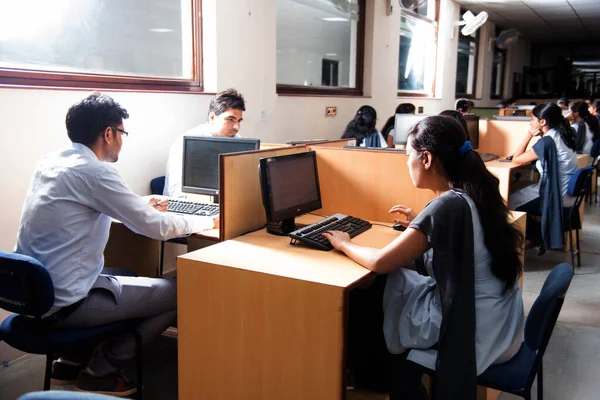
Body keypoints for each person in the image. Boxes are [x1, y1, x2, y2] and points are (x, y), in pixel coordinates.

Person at [15, 93, 219, 397]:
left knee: (127, 273)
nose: (122, 140)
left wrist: (138, 202)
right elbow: (158, 228)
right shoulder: (96, 172)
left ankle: (71, 360)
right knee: (182, 291)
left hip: (34, 295)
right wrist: (210, 221)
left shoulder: (52, 162)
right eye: (121, 133)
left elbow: (82, 204)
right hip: (68, 303)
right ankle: (102, 370)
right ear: (108, 133)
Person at [325, 116, 524, 399]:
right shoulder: (473, 193)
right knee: (392, 282)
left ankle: (388, 380)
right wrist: (422, 225)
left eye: (408, 156)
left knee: (376, 286)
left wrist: (344, 243)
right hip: (499, 320)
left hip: (474, 329)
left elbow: (381, 261)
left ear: (427, 158)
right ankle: (376, 377)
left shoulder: (447, 206)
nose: (407, 163)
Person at [164, 88, 246, 197]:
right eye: (230, 119)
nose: (237, 127)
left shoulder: (236, 140)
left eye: (239, 121)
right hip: (186, 206)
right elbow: (176, 191)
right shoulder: (186, 143)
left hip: (224, 203)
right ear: (212, 117)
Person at [508, 103, 578, 214]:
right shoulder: (563, 135)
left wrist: (528, 135)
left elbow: (516, 160)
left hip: (553, 196)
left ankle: (524, 231)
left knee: (509, 200)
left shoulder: (548, 141)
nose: (530, 123)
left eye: (532, 119)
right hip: (567, 196)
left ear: (542, 122)